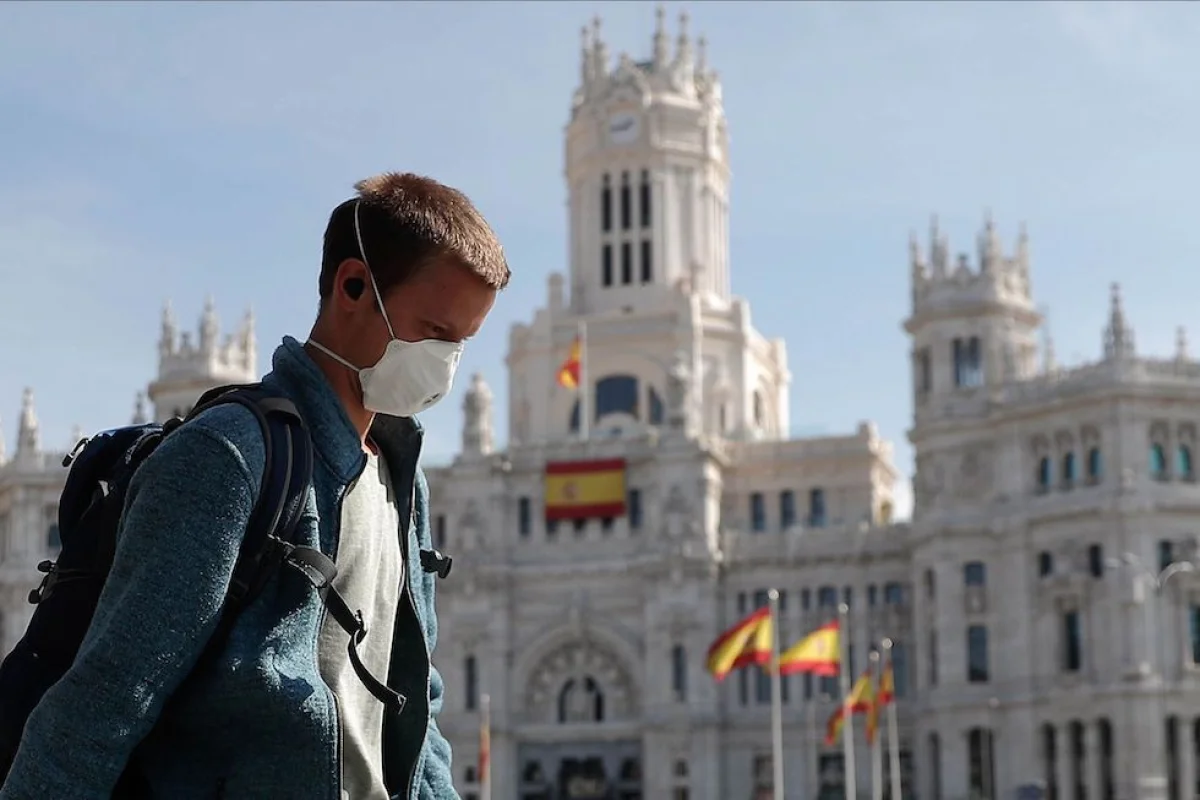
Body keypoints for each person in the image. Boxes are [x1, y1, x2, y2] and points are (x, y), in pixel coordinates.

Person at [0, 172, 509, 800]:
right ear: (353, 286)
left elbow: (415, 713)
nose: (447, 362)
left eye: (463, 342)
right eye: (435, 332)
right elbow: (105, 700)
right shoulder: (229, 456)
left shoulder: (403, 481)